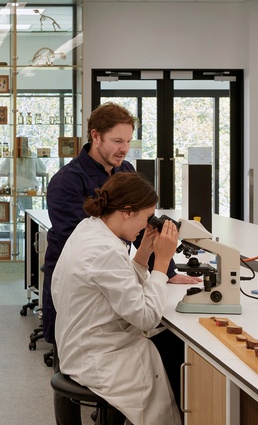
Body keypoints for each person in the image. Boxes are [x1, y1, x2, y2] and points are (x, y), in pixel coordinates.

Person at [41, 102, 198, 424]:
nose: (123, 149)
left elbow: (123, 245)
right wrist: (161, 262)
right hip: (88, 316)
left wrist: (155, 264)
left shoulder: (100, 222)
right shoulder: (67, 182)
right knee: (169, 348)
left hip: (96, 307)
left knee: (164, 343)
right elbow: (136, 307)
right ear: (95, 136)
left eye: (128, 141)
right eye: (117, 141)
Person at [52, 172, 182, 425]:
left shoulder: (90, 228)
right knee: (179, 350)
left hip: (83, 344)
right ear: (127, 211)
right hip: (100, 358)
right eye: (146, 217)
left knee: (171, 345)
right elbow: (146, 317)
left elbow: (117, 284)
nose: (146, 225)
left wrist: (144, 252)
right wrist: (163, 262)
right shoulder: (105, 250)